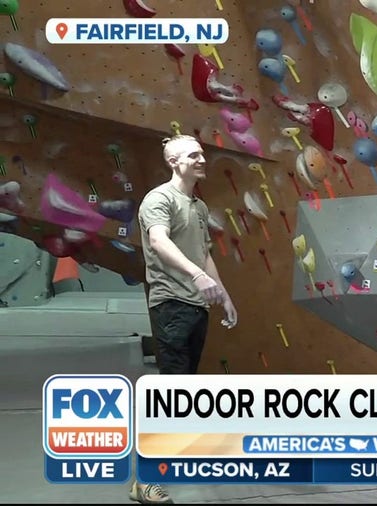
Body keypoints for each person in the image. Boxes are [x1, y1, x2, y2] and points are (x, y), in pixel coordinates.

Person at [131, 134, 238, 504]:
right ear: (174, 162)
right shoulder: (159, 199)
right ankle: (146, 480)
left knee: (183, 391)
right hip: (171, 303)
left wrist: (221, 293)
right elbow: (159, 242)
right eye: (193, 155)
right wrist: (196, 276)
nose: (201, 158)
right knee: (172, 393)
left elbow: (205, 254)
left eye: (202, 153)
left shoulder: (198, 206)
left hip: (196, 305)